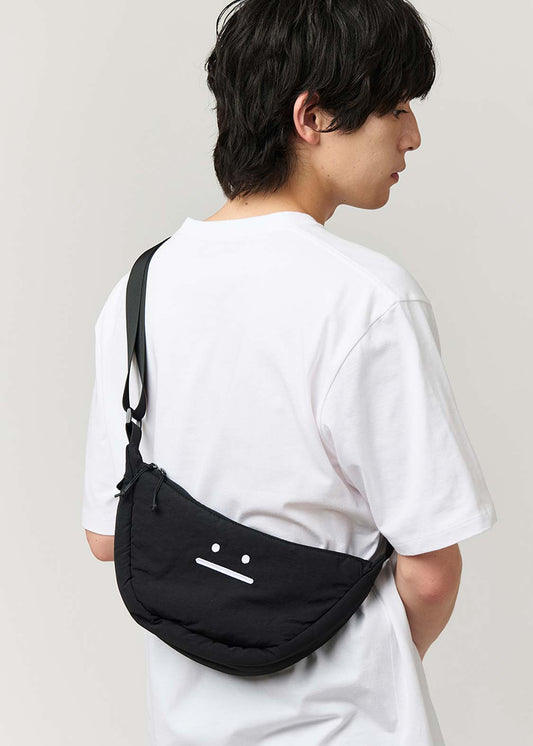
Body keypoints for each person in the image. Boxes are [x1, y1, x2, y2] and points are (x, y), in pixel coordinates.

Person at [82, 1, 497, 744]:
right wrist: (360, 659)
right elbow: (430, 570)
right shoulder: (370, 299)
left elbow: (109, 537)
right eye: (396, 108)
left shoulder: (137, 290)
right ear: (311, 117)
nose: (412, 136)